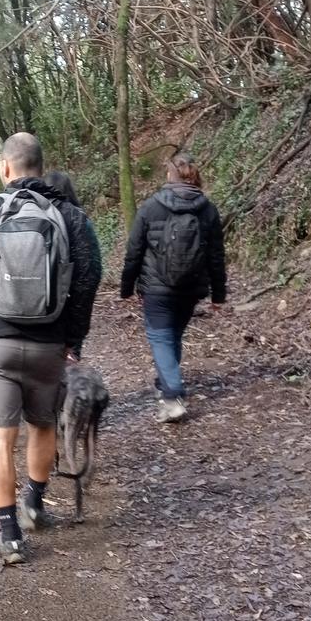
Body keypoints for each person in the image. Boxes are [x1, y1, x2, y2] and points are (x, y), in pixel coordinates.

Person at [0, 134, 101, 564]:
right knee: (42, 426)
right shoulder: (71, 216)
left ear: (5, 167)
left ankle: (10, 537)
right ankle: (34, 504)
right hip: (49, 344)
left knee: (0, 440)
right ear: (41, 164)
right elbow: (88, 280)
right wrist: (73, 340)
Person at [120, 150, 226, 423]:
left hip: (157, 287)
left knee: (161, 338)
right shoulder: (208, 209)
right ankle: (165, 384)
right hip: (191, 288)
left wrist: (127, 287)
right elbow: (216, 255)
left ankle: (173, 394)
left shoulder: (151, 207)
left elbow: (134, 250)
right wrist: (218, 294)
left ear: (170, 174)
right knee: (173, 335)